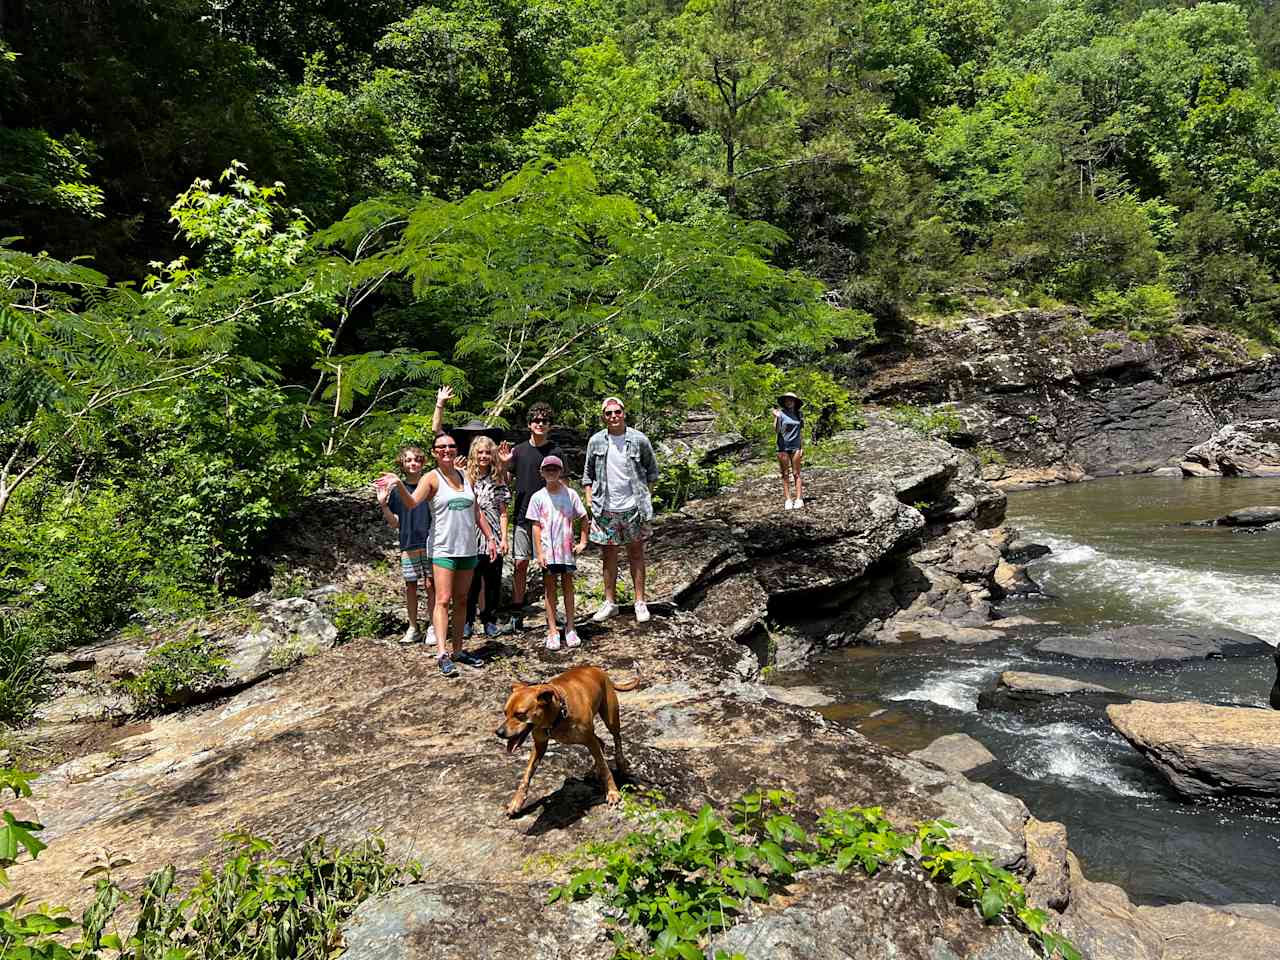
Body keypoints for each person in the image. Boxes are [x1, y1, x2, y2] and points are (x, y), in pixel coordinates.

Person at [380, 434, 497, 677]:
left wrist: (490, 537)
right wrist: (398, 484)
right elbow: (412, 503)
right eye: (441, 447)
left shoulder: (465, 475)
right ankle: (442, 653)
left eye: (451, 446)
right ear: (434, 452)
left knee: (463, 599)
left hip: (467, 547)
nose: (447, 450)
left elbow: (476, 510)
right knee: (443, 599)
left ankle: (458, 650)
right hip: (443, 548)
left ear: (456, 450)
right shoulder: (431, 478)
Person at [584, 397, 659, 625]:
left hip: (632, 507)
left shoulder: (638, 439)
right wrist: (590, 501)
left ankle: (640, 602)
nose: (613, 416)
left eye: (617, 412)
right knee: (609, 556)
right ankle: (610, 603)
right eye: (609, 413)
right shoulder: (596, 441)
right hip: (606, 507)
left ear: (624, 413)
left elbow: (652, 471)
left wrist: (644, 498)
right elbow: (588, 474)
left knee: (636, 553)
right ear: (603, 416)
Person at [501, 402, 563, 631]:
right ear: (529, 424)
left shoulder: (555, 451)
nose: (540, 424)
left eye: (544, 421)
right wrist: (505, 463)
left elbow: (562, 484)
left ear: (550, 425)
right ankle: (517, 615)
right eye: (536, 420)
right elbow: (505, 482)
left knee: (549, 567)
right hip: (521, 514)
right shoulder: (517, 451)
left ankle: (551, 617)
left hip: (548, 518)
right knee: (520, 563)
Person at [525, 455, 588, 650]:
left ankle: (570, 627)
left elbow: (584, 517)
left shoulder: (571, 494)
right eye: (548, 469)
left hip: (567, 551)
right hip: (548, 552)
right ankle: (552, 630)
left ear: (561, 471)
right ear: (541, 472)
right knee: (549, 589)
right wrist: (539, 553)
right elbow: (535, 526)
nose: (551, 472)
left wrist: (583, 541)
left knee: (568, 587)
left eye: (555, 469)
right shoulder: (538, 497)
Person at [376, 444, 435, 646]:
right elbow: (395, 523)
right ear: (402, 463)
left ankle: (433, 625)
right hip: (407, 543)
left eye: (417, 460)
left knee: (430, 584)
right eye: (409, 460)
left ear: (423, 462)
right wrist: (383, 504)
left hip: (429, 541)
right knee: (410, 585)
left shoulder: (429, 484)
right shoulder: (396, 491)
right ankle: (413, 626)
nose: (413, 464)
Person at [464, 436, 511, 639]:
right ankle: (467, 620)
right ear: (474, 454)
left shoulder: (498, 478)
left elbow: (503, 512)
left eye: (487, 452)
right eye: (480, 452)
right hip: (470, 532)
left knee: (492, 581)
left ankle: (489, 620)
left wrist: (504, 539)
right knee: (470, 581)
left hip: (493, 532)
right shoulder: (465, 477)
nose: (483, 456)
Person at [773, 391, 805, 510]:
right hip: (782, 447)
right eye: (787, 400)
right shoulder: (780, 414)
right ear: (784, 402)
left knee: (796, 473)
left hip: (796, 446)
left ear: (795, 402)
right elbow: (776, 430)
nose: (789, 402)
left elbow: (800, 432)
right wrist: (776, 418)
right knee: (785, 474)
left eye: (791, 400)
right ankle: (788, 499)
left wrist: (801, 447)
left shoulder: (799, 414)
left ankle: (799, 498)